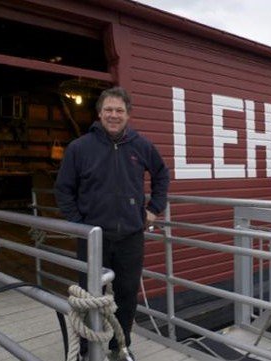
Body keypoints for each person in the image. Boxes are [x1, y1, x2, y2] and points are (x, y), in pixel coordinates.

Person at [55, 86, 170, 361]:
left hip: (131, 236)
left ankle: (121, 347)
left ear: (128, 114)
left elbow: (161, 175)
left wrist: (154, 208)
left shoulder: (141, 146)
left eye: (119, 110)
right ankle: (83, 350)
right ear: (99, 113)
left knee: (127, 294)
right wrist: (79, 224)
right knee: (88, 296)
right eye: (109, 110)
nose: (114, 115)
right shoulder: (80, 148)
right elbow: (63, 189)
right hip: (92, 237)